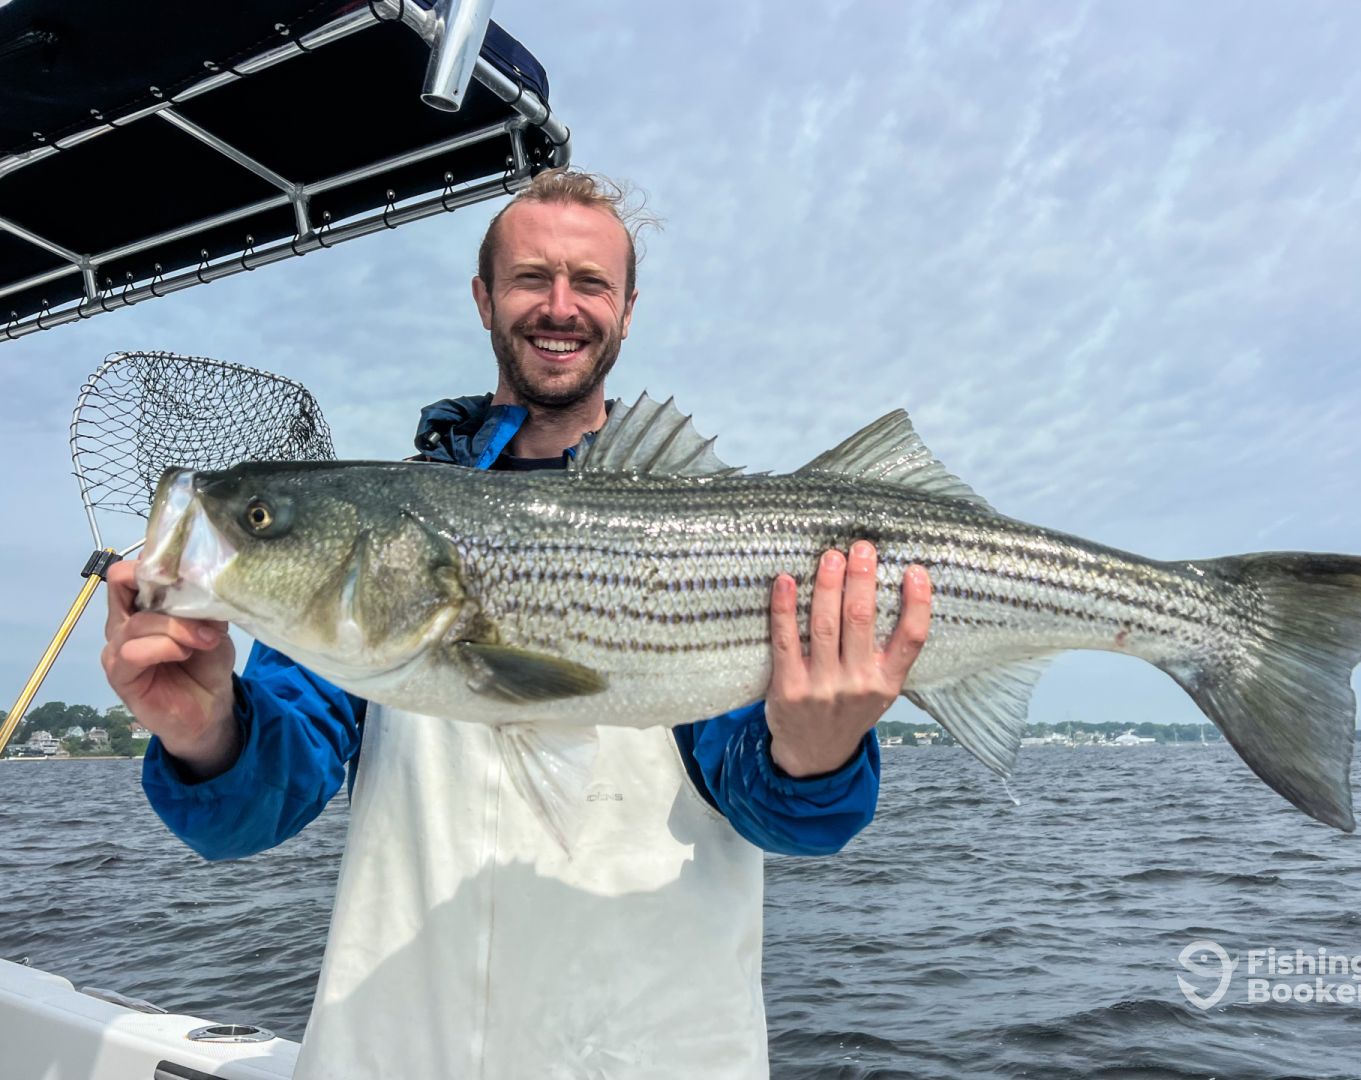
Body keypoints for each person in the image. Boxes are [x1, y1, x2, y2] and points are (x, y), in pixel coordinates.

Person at [101, 169, 932, 1079]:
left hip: (652, 1052)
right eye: (532, 277)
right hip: (404, 1054)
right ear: (484, 298)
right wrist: (206, 734)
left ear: (627, 309)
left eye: (591, 283)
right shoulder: (382, 535)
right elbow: (249, 816)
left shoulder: (706, 532)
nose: (560, 306)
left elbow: (786, 817)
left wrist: (814, 753)